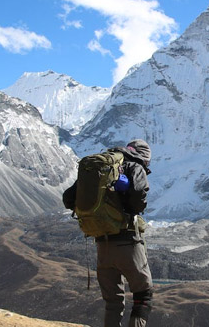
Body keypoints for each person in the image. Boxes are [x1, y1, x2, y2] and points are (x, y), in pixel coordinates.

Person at [63, 139, 153, 327]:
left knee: (113, 301)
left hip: (102, 244)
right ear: (144, 158)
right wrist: (128, 209)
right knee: (143, 294)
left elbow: (68, 198)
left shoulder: (101, 167)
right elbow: (137, 195)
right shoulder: (134, 166)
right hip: (127, 241)